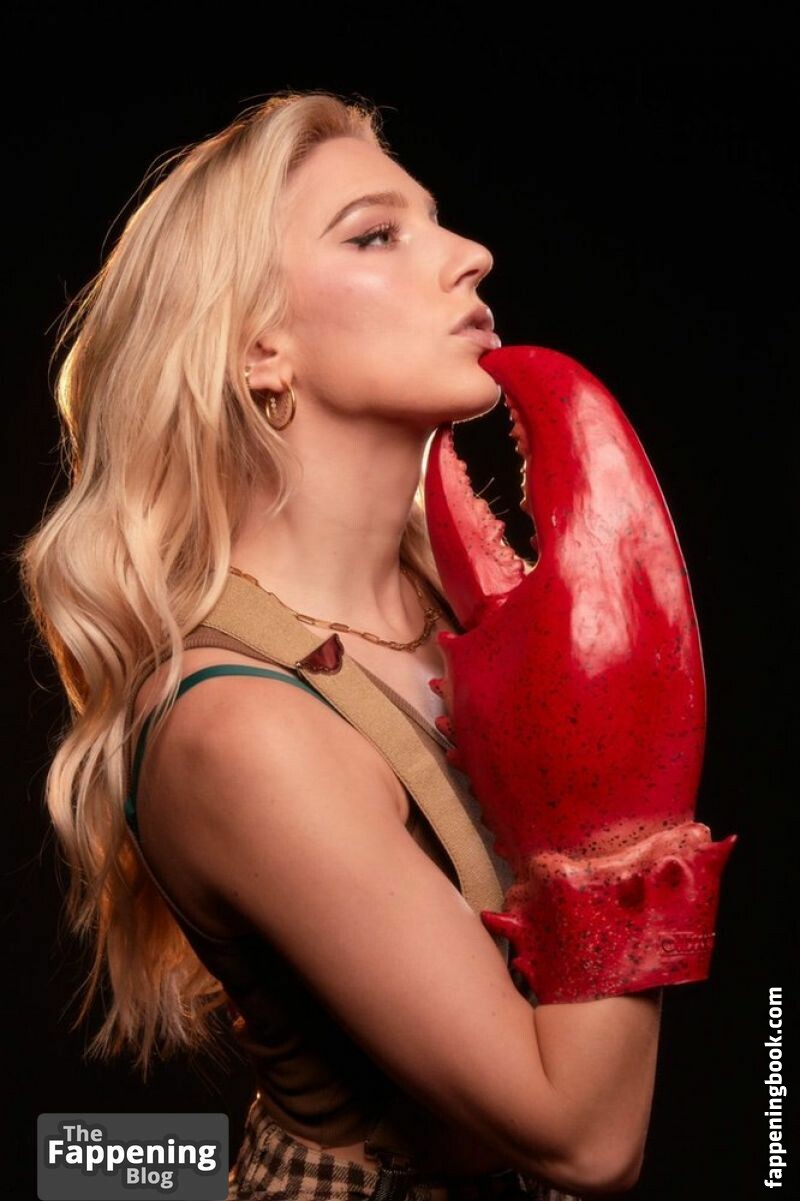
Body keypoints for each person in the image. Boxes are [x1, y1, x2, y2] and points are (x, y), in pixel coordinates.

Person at [17, 90, 663, 1200]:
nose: (470, 255)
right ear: (257, 348)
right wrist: (628, 827)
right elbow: (584, 1139)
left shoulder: (458, 607)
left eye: (435, 221)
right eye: (375, 235)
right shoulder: (241, 725)